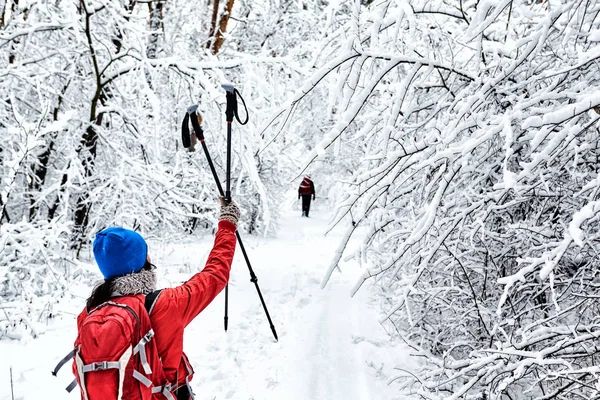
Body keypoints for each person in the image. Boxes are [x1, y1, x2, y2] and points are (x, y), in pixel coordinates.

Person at [75, 197, 240, 400]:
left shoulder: (89, 313)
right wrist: (227, 223)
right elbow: (215, 274)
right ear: (143, 261)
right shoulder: (166, 304)